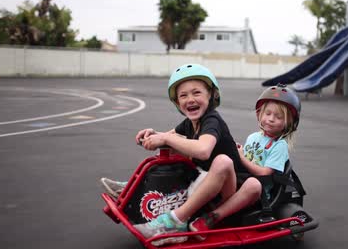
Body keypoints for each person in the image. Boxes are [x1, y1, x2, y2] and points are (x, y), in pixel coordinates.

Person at [121, 63, 262, 247]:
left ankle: (177, 221)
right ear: (177, 102)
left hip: (232, 189)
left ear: (210, 95)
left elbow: (203, 150)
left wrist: (166, 138)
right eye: (183, 95)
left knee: (228, 165)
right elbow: (169, 138)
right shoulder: (188, 123)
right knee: (174, 148)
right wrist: (154, 134)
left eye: (196, 93)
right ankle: (137, 186)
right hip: (206, 184)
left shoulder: (212, 120)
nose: (190, 99)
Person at [187, 84, 301, 239]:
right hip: (241, 180)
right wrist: (235, 152)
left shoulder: (279, 146)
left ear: (289, 123)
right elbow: (243, 161)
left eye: (278, 117)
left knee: (253, 184)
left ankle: (212, 217)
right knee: (221, 161)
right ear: (260, 114)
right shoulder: (254, 137)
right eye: (268, 113)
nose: (271, 119)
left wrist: (240, 157)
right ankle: (192, 205)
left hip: (259, 193)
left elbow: (264, 173)